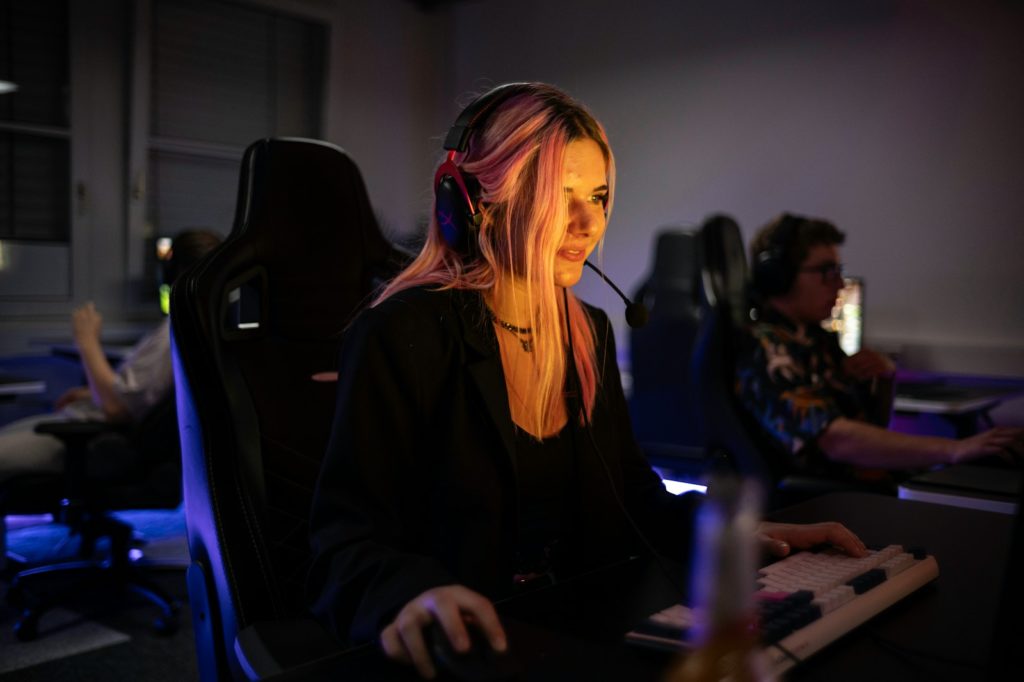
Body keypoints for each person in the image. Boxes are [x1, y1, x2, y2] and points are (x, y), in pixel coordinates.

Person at [307, 84, 867, 680]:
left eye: (597, 196)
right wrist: (413, 596)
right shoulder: (405, 333)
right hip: (462, 657)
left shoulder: (588, 333)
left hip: (578, 637)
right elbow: (344, 547)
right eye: (559, 196)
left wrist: (743, 536)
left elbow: (636, 499)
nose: (587, 221)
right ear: (474, 203)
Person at [736, 213, 1024, 479]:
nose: (839, 285)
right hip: (818, 504)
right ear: (778, 277)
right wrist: (953, 450)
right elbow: (837, 440)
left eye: (838, 271)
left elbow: (870, 431)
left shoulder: (814, 339)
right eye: (827, 271)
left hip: (855, 487)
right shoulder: (767, 348)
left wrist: (885, 378)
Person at [0, 229, 222, 485]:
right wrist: (88, 392)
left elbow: (117, 408)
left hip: (95, 437)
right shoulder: (201, 327)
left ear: (171, 273)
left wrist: (87, 342)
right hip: (88, 424)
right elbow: (140, 395)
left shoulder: (174, 332)